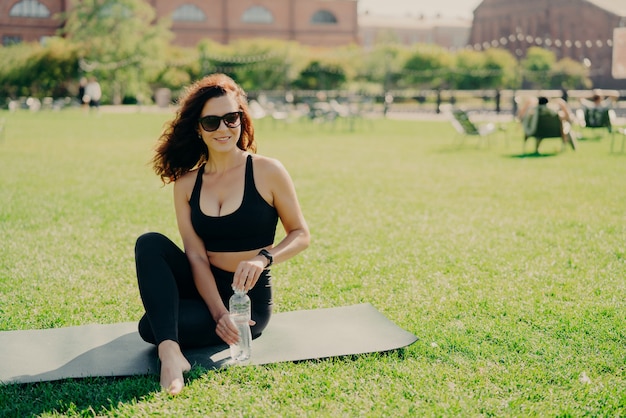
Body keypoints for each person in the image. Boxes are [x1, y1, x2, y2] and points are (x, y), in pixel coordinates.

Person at [134, 73, 310, 395]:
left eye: (231, 118)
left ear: (242, 120)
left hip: (247, 300)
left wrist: (262, 259)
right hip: (204, 288)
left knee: (151, 326)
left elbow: (301, 234)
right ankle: (171, 354)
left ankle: (169, 339)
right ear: (198, 129)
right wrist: (218, 313)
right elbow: (196, 256)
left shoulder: (268, 171)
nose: (223, 129)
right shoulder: (186, 183)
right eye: (211, 122)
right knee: (149, 244)